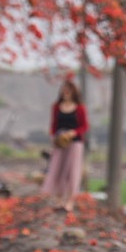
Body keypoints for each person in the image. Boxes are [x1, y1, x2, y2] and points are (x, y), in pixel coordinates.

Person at [41, 79, 89, 213]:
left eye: (69, 90)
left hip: (75, 143)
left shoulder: (80, 109)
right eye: (64, 89)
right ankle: (59, 199)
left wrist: (73, 133)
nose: (66, 92)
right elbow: (54, 125)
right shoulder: (56, 107)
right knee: (58, 169)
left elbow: (84, 126)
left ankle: (70, 200)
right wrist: (54, 136)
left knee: (72, 171)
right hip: (59, 143)